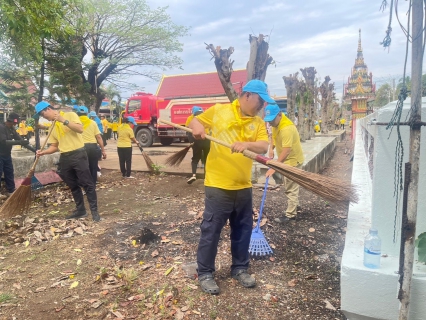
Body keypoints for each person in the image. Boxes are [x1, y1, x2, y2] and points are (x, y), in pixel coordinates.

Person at [189, 79, 273, 295]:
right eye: (260, 100)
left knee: (243, 230)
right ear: (248, 96)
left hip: (243, 186)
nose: (262, 105)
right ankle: (205, 272)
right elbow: (195, 122)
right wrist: (197, 126)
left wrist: (246, 144)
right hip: (218, 185)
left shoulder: (257, 121)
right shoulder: (220, 111)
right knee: (212, 231)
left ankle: (240, 268)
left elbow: (264, 145)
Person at [34, 101, 101, 222]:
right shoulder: (52, 127)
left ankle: (95, 212)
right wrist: (43, 152)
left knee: (87, 183)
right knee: (72, 184)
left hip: (78, 153)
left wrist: (63, 120)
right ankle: (81, 210)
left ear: (48, 109)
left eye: (43, 115)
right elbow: (55, 146)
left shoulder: (70, 115)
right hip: (65, 156)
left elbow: (80, 129)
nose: (44, 118)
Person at [264, 104, 304, 222]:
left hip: (292, 160)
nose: (270, 123)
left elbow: (286, 151)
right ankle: (295, 205)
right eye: (268, 120)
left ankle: (291, 215)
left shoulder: (286, 128)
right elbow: (273, 137)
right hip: (286, 160)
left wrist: (275, 166)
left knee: (290, 187)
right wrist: (271, 148)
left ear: (280, 115)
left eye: (271, 120)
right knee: (291, 185)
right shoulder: (276, 124)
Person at [0, 113, 29, 198]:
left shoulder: (11, 129)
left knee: (9, 172)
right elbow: (4, 142)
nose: (15, 124)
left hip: (7, 155)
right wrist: (18, 142)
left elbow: (19, 139)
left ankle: (11, 190)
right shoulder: (1, 127)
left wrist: (32, 148)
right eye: (14, 123)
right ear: (11, 121)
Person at [77, 106, 107, 184]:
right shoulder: (92, 122)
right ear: (87, 113)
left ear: (77, 113)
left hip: (80, 147)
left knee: (82, 167)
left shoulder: (75, 123)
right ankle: (92, 185)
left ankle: (84, 184)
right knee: (93, 166)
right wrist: (103, 150)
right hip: (93, 147)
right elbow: (99, 137)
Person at [185, 106, 210, 184]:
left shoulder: (190, 118)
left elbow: (188, 132)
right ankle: (207, 177)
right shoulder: (206, 117)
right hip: (206, 140)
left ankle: (194, 175)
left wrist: (191, 142)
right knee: (207, 159)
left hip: (196, 141)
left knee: (195, 159)